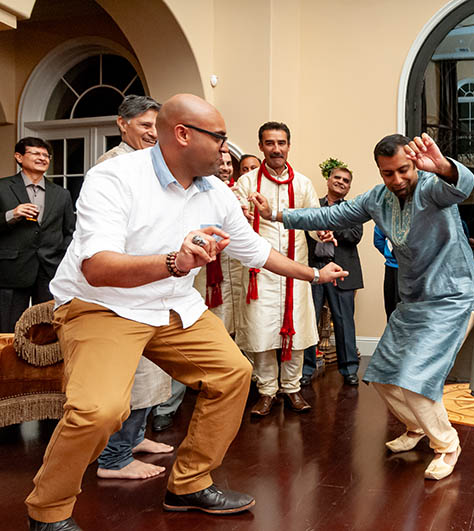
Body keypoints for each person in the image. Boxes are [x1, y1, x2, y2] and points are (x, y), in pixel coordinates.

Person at [24, 94, 347, 531]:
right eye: (219, 138)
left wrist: (313, 273)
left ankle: (189, 484)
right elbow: (97, 268)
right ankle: (48, 512)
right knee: (99, 410)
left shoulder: (216, 191)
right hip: (103, 305)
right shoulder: (114, 178)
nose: (226, 150)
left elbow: (254, 251)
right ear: (182, 135)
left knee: (233, 374)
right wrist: (175, 262)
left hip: (172, 305)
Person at [250, 132, 474, 481]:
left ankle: (447, 444)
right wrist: (275, 213)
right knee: (381, 375)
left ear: (414, 164)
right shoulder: (377, 199)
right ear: (379, 172)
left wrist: (443, 167)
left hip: (451, 297)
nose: (397, 179)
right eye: (388, 173)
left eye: (403, 170)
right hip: (413, 299)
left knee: (415, 380)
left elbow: (461, 187)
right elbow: (329, 216)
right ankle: (415, 427)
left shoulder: (432, 187)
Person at [92, 94, 176, 481]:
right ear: (121, 124)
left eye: (156, 127)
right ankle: (114, 458)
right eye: (144, 125)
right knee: (130, 374)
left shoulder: (149, 162)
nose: (151, 133)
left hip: (151, 281)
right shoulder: (112, 166)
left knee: (149, 371)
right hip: (124, 287)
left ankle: (136, 438)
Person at [234, 122, 326, 416]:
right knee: (261, 332)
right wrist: (242, 211)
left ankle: (292, 389)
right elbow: (234, 215)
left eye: (281, 143)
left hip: (294, 271)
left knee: (295, 332)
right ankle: (266, 391)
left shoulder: (303, 183)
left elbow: (314, 220)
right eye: (270, 143)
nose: (276, 149)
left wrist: (321, 233)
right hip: (259, 273)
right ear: (261, 146)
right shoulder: (247, 183)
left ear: (289, 145)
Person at [154, 151, 246, 433]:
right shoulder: (174, 191)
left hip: (229, 285)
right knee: (177, 344)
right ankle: (165, 407)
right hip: (190, 286)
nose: (225, 166)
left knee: (232, 363)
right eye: (220, 160)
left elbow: (250, 246)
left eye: (230, 162)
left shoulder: (232, 198)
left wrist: (312, 275)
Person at [0, 137, 75, 333]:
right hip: (11, 269)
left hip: (49, 270)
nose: (42, 158)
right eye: (35, 153)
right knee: (7, 328)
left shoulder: (61, 194)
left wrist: (60, 258)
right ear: (19, 157)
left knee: (47, 329)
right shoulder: (2, 187)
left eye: (46, 155)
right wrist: (12, 214)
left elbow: (69, 231)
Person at [301, 164, 364, 387]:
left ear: (348, 187)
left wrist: (331, 228)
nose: (340, 182)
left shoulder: (353, 210)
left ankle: (349, 370)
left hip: (341, 271)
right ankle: (306, 370)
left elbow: (355, 235)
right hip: (314, 270)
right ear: (328, 180)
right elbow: (301, 234)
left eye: (346, 181)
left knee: (344, 322)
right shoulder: (312, 206)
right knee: (309, 321)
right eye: (337, 178)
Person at [96, 95, 159, 163]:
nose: (155, 134)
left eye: (158, 126)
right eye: (145, 125)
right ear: (123, 124)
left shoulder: (153, 160)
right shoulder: (112, 162)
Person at [373, 225, 399, 318]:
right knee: (391, 310)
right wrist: (390, 255)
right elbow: (378, 240)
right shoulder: (386, 214)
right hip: (392, 268)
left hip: (414, 270)